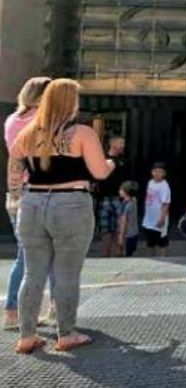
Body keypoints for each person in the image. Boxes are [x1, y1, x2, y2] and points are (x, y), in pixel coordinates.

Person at [7, 78, 115, 353]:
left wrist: (18, 195)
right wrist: (112, 162)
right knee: (67, 272)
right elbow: (100, 171)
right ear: (70, 102)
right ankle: (66, 334)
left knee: (33, 273)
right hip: (71, 204)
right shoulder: (82, 133)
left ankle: (27, 336)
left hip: (32, 203)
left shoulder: (29, 132)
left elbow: (14, 168)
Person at [4, 77, 56, 331]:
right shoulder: (44, 123)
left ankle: (12, 311)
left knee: (24, 255)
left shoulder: (12, 120)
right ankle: (58, 309)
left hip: (17, 192)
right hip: (41, 191)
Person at [96, 135, 127, 257]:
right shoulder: (101, 158)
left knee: (120, 228)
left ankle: (118, 254)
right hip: (104, 198)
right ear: (112, 144)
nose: (123, 145)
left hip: (120, 198)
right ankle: (105, 255)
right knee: (105, 229)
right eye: (121, 143)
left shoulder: (124, 160)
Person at [142, 162, 171, 257]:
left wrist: (162, 218)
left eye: (160, 172)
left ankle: (163, 261)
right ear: (152, 172)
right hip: (149, 218)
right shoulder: (150, 183)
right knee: (150, 242)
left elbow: (166, 203)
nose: (157, 174)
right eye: (155, 171)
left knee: (161, 242)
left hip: (159, 219)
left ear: (164, 173)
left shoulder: (164, 186)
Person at [116, 181, 139, 257]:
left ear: (126, 192)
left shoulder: (127, 206)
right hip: (134, 233)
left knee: (125, 256)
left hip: (127, 235)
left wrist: (121, 237)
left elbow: (124, 222)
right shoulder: (133, 201)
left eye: (121, 190)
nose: (119, 191)